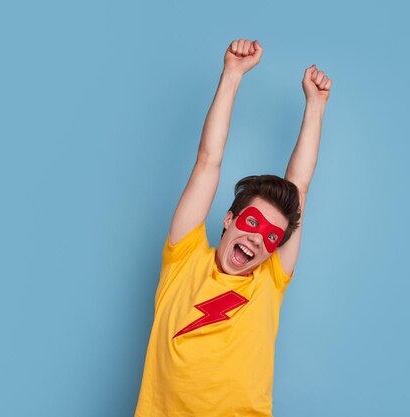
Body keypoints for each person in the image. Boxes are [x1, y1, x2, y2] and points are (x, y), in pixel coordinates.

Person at [134, 38, 332, 417]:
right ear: (229, 219)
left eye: (271, 237)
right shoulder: (184, 258)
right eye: (252, 223)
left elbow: (300, 185)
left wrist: (316, 106)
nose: (257, 240)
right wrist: (232, 74)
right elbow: (208, 160)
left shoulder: (269, 281)